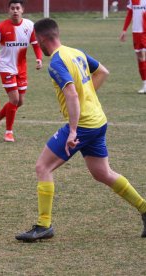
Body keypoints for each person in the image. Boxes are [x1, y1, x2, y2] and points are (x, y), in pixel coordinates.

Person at [15, 18, 146, 242]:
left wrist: (73, 131)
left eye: (36, 40)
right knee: (102, 173)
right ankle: (144, 208)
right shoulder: (75, 52)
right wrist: (88, 97)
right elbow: (103, 72)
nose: (36, 44)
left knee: (43, 167)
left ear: (44, 38)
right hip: (98, 121)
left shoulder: (57, 62)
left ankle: (44, 225)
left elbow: (72, 94)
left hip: (83, 125)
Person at [0, 0, 42, 142]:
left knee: (20, 101)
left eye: (18, 8)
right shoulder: (1, 27)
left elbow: (35, 44)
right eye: (12, 8)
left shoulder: (30, 26)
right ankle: (8, 132)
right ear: (8, 10)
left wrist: (39, 59)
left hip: (21, 67)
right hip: (6, 67)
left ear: (22, 10)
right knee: (14, 99)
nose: (15, 11)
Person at [120, 0, 146, 94]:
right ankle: (144, 83)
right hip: (136, 31)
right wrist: (124, 30)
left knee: (142, 56)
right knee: (139, 57)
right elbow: (130, 13)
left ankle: (145, 84)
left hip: (144, 31)